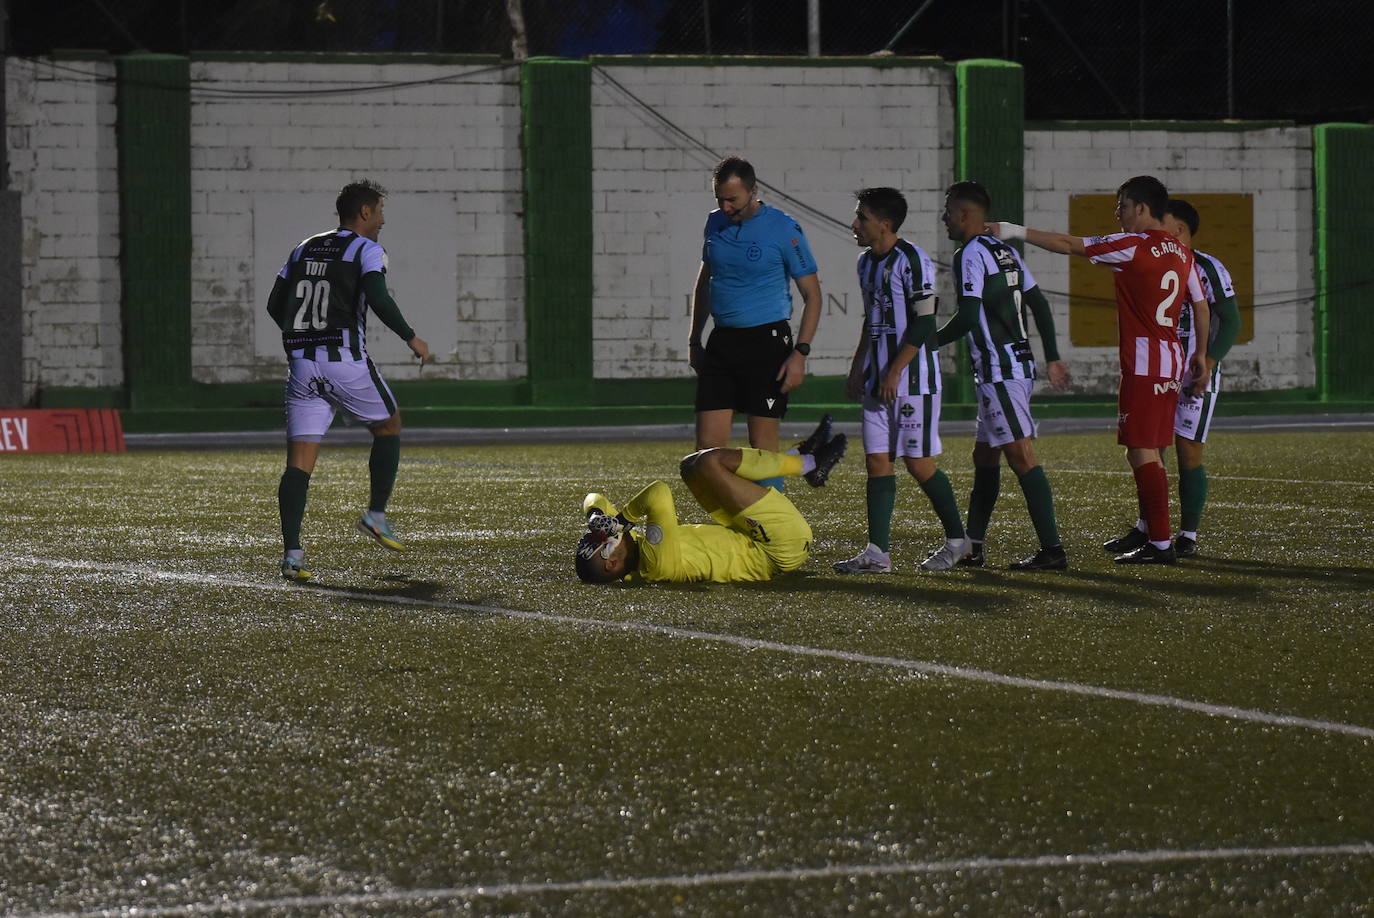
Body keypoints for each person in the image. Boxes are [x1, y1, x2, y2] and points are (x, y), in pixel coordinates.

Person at [988, 175, 1208, 564]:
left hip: (1143, 363)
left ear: (1141, 208)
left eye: (1122, 206)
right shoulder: (1181, 251)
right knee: (1149, 450)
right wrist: (1201, 355)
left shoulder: (1134, 245)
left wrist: (1013, 230)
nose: (1118, 214)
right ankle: (1154, 535)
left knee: (1141, 450)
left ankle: (1159, 543)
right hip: (1171, 358)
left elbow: (1070, 244)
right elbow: (1199, 303)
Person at [266, 179, 431, 581]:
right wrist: (412, 337)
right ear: (364, 212)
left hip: (302, 365)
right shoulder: (367, 250)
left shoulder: (303, 247)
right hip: (344, 361)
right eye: (379, 212)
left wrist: (303, 335)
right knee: (389, 425)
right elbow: (377, 296)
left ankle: (292, 556)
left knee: (299, 464)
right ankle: (376, 514)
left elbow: (275, 305)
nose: (382, 221)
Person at [937, 181, 1072, 571]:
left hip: (1000, 369)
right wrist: (1053, 357)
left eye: (948, 211)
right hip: (1014, 365)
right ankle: (973, 546)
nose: (944, 218)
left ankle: (1053, 550)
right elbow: (1039, 304)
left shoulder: (970, 254)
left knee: (1021, 455)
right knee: (985, 456)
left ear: (965, 214)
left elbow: (965, 317)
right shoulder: (1005, 250)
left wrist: (925, 342)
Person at [833, 187, 969, 574]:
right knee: (877, 461)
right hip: (878, 381)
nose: (855, 224)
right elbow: (871, 318)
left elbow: (925, 321)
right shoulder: (865, 263)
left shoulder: (913, 260)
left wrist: (895, 370)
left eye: (862, 217)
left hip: (913, 381)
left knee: (919, 463)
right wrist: (859, 365)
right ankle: (877, 553)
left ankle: (958, 542)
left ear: (885, 224)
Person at [1104, 198, 1237, 558]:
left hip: (1195, 370)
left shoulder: (1207, 267)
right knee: (1151, 447)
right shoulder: (1156, 258)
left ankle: (1188, 536)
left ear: (1178, 229)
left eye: (1161, 222)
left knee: (1188, 448)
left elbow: (1232, 322)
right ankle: (1147, 528)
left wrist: (1207, 362)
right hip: (1162, 366)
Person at [688, 156, 823, 491]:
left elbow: (813, 296)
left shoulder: (783, 228)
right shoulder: (714, 223)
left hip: (767, 344)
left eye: (732, 198)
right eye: (719, 198)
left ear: (753, 191)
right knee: (706, 454)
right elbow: (705, 283)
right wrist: (695, 340)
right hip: (722, 344)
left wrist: (800, 354)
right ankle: (729, 532)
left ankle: (775, 534)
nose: (725, 206)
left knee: (763, 449)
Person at [574, 419, 847, 584]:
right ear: (612, 563)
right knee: (708, 463)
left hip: (749, 536)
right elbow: (659, 493)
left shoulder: (633, 554)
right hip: (777, 548)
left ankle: (802, 458)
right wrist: (623, 519)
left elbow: (592, 498)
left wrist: (595, 515)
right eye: (605, 541)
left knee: (690, 467)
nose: (610, 534)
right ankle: (807, 463)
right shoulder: (656, 562)